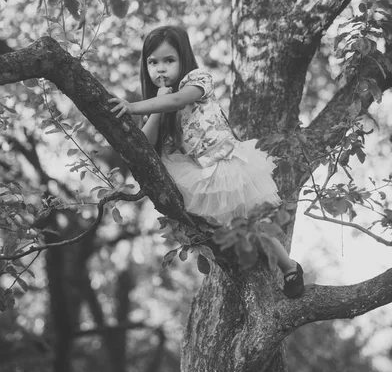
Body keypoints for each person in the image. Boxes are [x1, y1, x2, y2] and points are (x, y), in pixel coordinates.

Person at [109, 25, 304, 298]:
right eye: (153, 62)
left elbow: (178, 100)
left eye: (169, 60)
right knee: (226, 228)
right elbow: (144, 144)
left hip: (226, 163)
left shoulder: (198, 80)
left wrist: (133, 106)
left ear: (184, 59)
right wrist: (153, 105)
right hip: (200, 171)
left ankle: (290, 266)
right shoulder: (158, 105)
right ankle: (242, 259)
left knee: (252, 223)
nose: (161, 69)